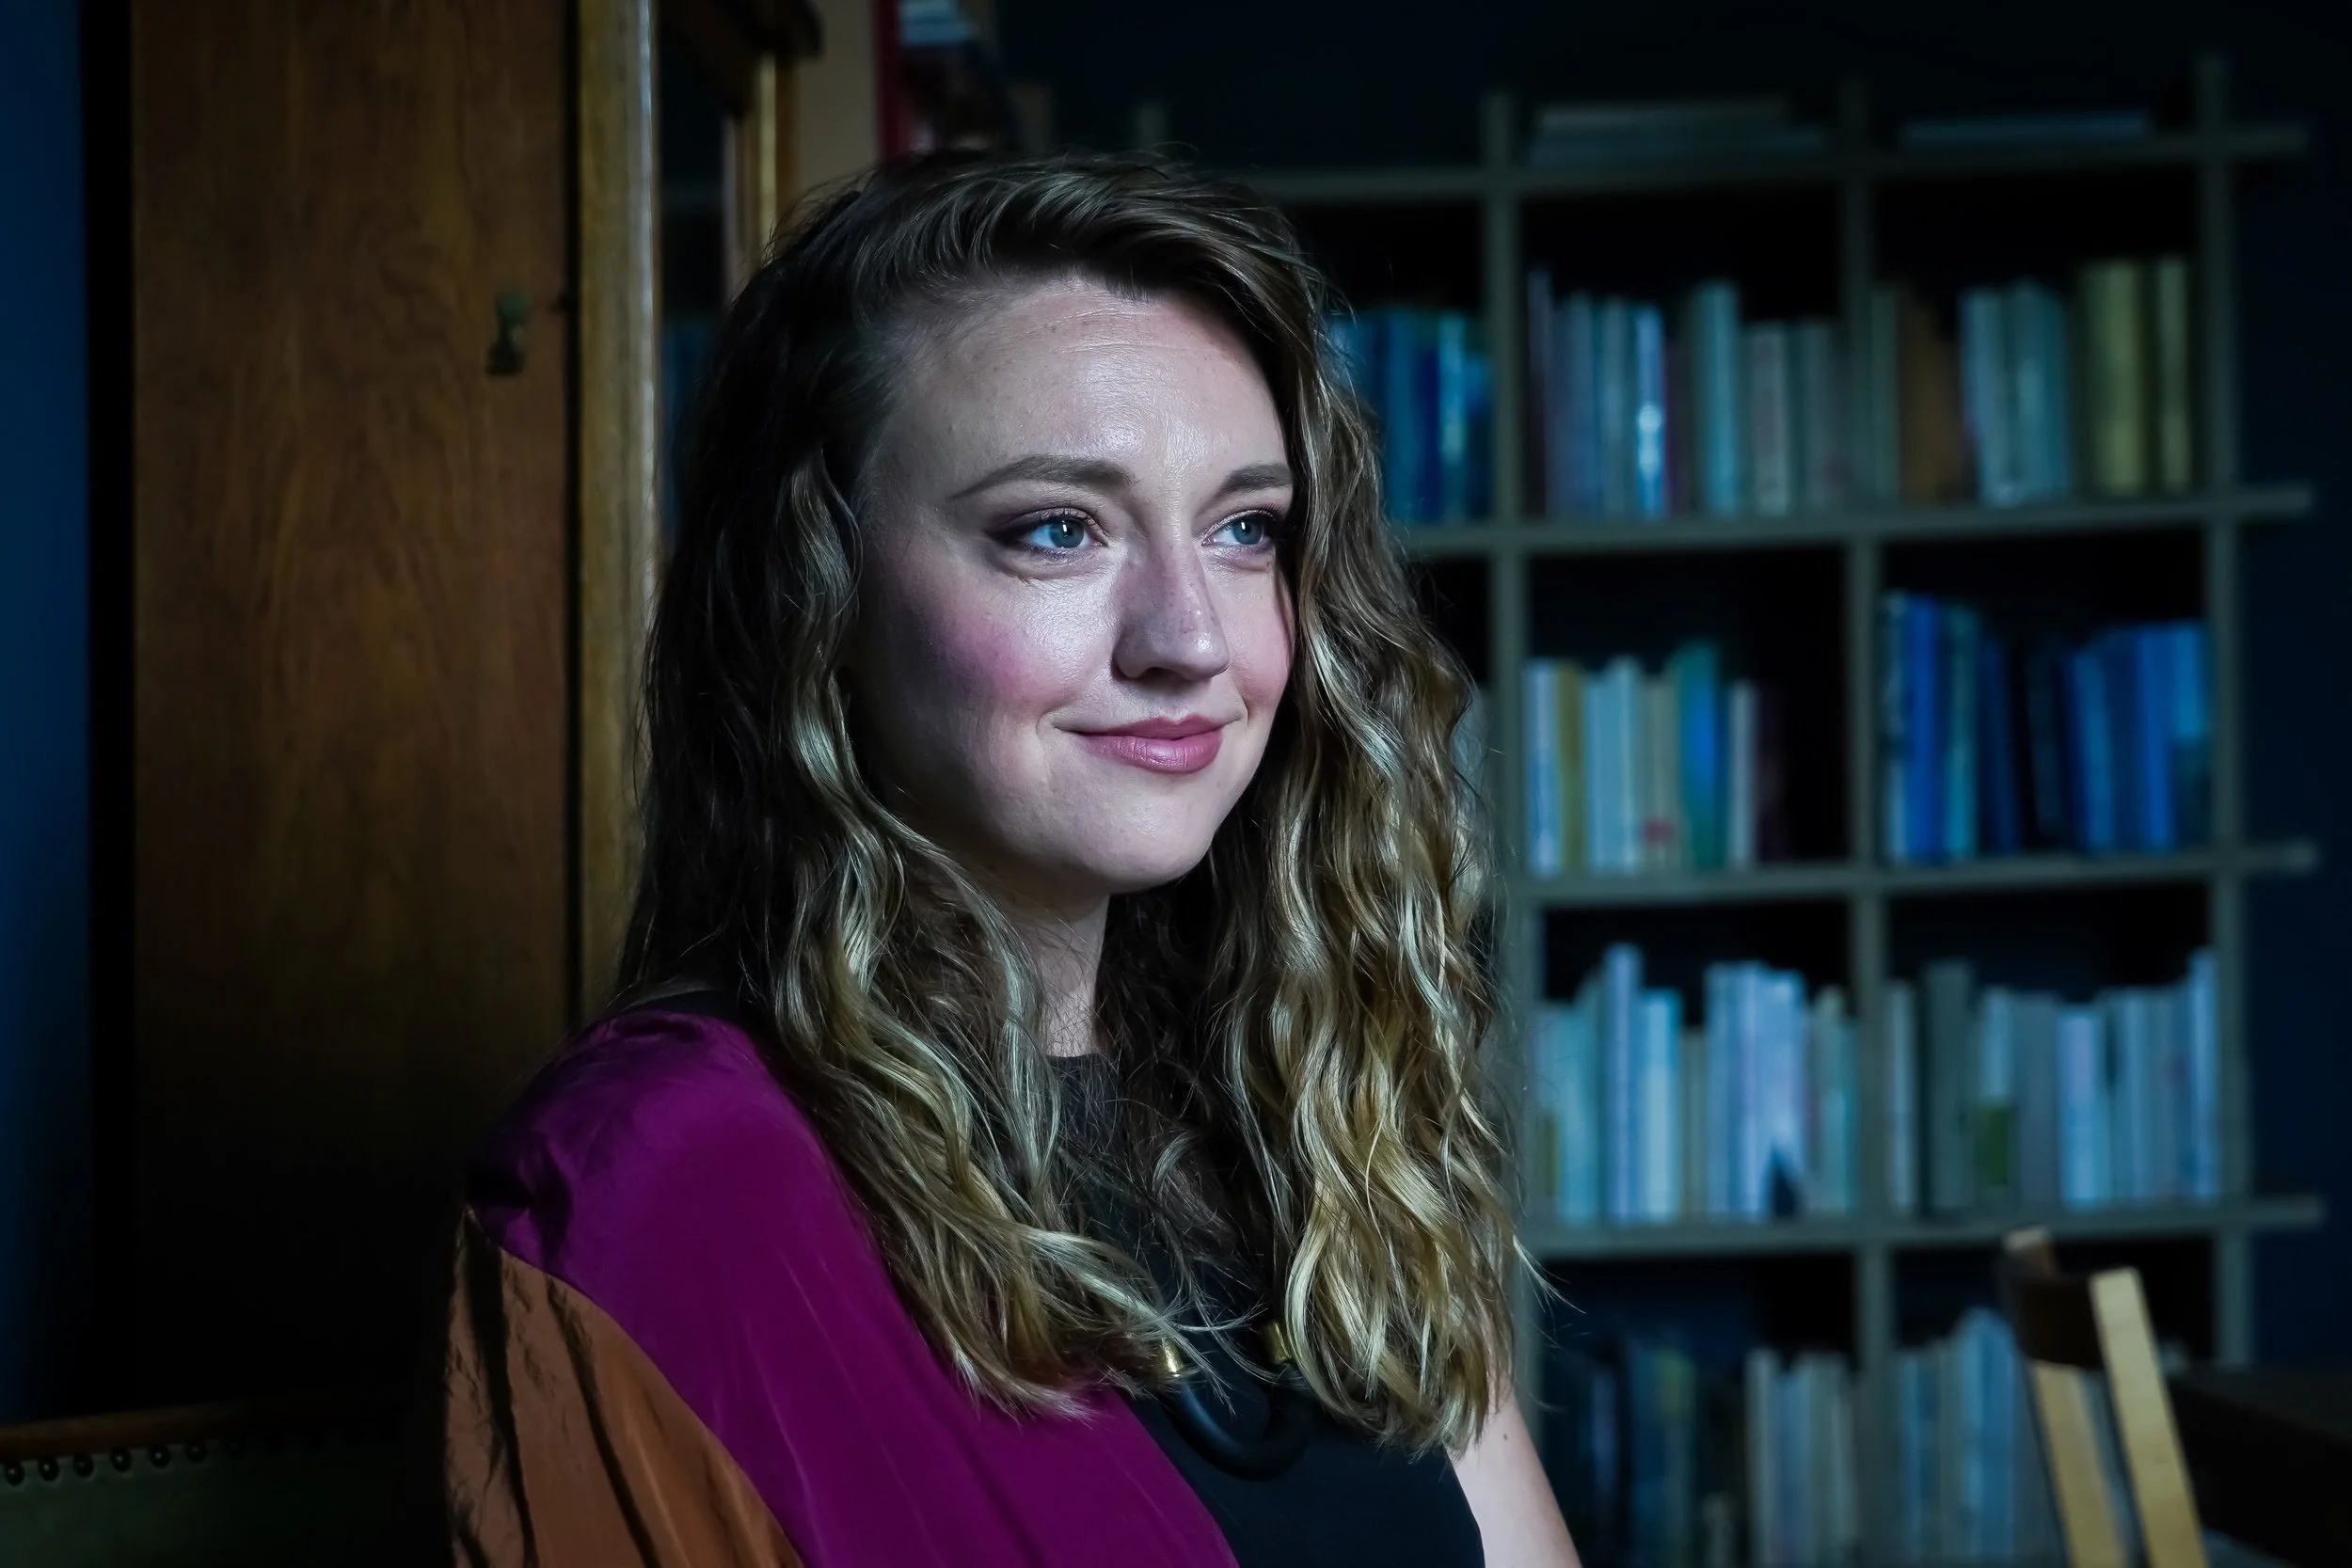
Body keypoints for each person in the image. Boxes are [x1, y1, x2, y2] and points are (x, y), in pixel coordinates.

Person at [436, 150, 1581, 1568]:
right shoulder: (662, 1186)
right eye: (1056, 528)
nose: (1191, 638)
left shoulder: (1309, 1102)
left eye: (1245, 529)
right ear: (818, 596)